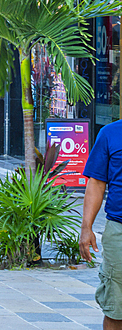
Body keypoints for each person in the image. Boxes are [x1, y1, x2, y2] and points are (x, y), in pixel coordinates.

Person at [82, 111, 122, 329]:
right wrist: (86, 228)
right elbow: (96, 183)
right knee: (116, 306)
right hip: (119, 231)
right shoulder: (110, 133)